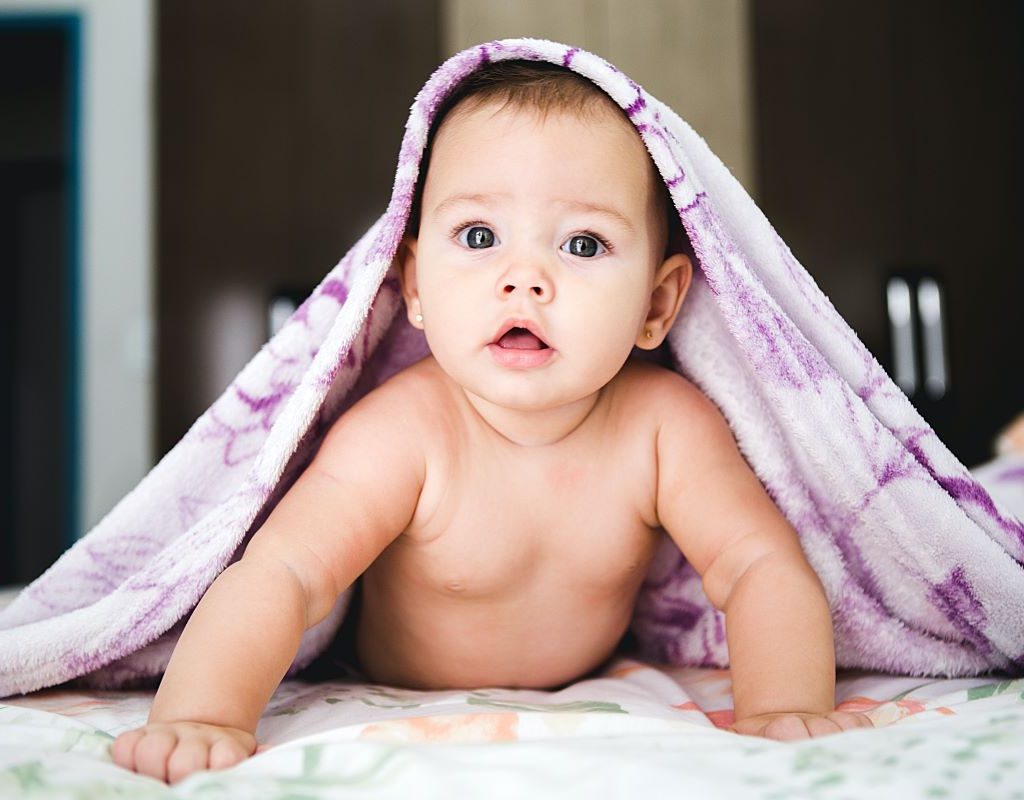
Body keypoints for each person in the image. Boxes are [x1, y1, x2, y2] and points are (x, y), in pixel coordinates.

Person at [112, 60, 872, 784]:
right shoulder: (404, 432)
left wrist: (784, 708)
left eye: (583, 243)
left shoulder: (664, 427)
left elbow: (758, 566)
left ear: (656, 305)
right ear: (412, 285)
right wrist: (206, 715)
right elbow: (286, 574)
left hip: (594, 680)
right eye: (479, 237)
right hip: (393, 681)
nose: (524, 279)